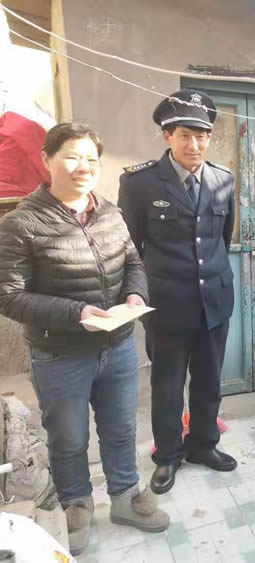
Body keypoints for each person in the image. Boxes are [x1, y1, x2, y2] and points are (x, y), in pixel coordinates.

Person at [0, 123, 170, 556]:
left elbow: (133, 262)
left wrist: (135, 294)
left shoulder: (109, 212)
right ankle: (76, 504)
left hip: (117, 347)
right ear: (47, 160)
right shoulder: (22, 223)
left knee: (121, 429)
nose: (84, 167)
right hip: (60, 354)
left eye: (91, 159)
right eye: (72, 157)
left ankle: (125, 497)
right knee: (68, 437)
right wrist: (76, 314)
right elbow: (9, 295)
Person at [118, 89, 237, 495]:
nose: (194, 145)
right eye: (185, 135)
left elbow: (222, 239)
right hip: (167, 306)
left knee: (209, 379)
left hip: (214, 302)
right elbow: (130, 250)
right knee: (167, 385)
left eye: (202, 136)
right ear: (167, 136)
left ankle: (204, 444)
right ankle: (168, 455)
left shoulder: (223, 179)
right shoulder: (139, 183)